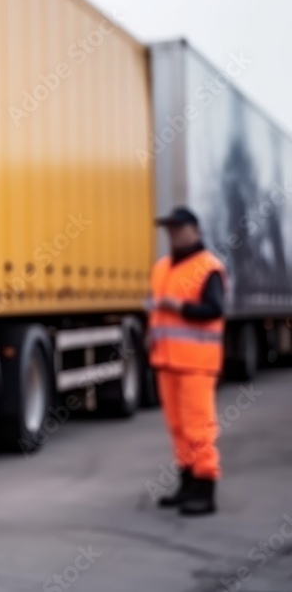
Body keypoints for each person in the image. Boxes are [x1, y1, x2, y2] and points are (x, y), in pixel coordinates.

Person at [147, 206, 226, 517]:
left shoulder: (208, 267)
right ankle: (187, 484)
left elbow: (214, 310)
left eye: (179, 228)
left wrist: (179, 307)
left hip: (196, 364)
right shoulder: (162, 268)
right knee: (178, 427)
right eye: (170, 229)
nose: (174, 234)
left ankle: (205, 488)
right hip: (167, 361)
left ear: (195, 230)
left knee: (198, 428)